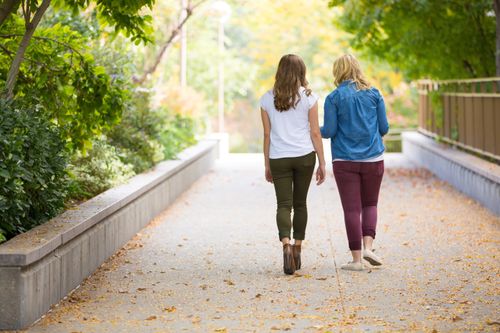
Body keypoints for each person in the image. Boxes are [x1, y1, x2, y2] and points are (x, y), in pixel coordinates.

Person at [321, 54, 389, 271]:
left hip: (345, 160)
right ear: (357, 69)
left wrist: (311, 129)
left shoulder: (333, 98)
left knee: (352, 210)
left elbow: (329, 131)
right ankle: (369, 247)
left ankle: (357, 260)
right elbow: (384, 128)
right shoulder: (374, 93)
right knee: (370, 203)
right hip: (373, 159)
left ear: (337, 71)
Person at [260, 54, 326, 275]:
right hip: (305, 156)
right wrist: (323, 162)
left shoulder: (267, 99)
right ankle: (297, 248)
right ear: (301, 72)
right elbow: (315, 133)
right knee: (300, 204)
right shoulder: (309, 97)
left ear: (280, 72)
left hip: (279, 157)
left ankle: (286, 244)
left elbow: (267, 134)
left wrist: (267, 163)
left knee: (283, 205)